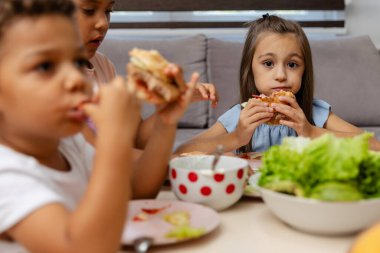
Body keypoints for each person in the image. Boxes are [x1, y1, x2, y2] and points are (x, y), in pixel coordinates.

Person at [0, 0, 195, 252]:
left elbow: (138, 189)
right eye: (45, 66)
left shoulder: (69, 143)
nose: (75, 79)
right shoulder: (7, 172)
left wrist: (165, 124)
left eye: (77, 62)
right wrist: (114, 139)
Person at [73, 0, 217, 198]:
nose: (103, 23)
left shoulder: (103, 65)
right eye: (88, 10)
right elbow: (113, 158)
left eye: (108, 11)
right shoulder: (48, 91)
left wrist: (167, 111)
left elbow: (136, 139)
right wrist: (184, 162)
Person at [175, 14, 365, 155]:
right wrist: (236, 137)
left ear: (304, 71)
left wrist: (311, 131)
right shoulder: (239, 116)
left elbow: (373, 146)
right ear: (250, 70)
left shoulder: (315, 113)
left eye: (292, 64)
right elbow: (182, 152)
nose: (281, 75)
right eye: (268, 63)